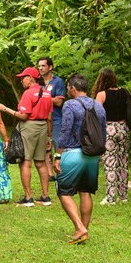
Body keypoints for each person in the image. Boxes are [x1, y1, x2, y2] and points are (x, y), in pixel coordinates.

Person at [53, 74, 107, 244]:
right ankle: (84, 231)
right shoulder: (98, 105)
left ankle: (80, 228)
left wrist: (57, 155)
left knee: (64, 192)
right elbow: (103, 131)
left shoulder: (70, 105)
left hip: (73, 153)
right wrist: (99, 153)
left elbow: (65, 131)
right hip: (92, 155)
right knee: (85, 192)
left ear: (73, 89)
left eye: (68, 88)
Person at [0, 67, 53, 207]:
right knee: (41, 162)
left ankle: (28, 198)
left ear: (31, 78)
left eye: (23, 78)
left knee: (25, 162)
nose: (21, 81)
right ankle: (45, 197)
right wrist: (49, 136)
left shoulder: (28, 93)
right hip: (43, 126)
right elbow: (50, 118)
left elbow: (23, 116)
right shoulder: (47, 93)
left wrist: (4, 108)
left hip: (29, 127)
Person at [93, 68, 131, 205]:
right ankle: (123, 196)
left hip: (109, 128)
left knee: (110, 163)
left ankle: (110, 197)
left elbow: (97, 115)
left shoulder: (101, 95)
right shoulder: (124, 92)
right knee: (123, 161)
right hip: (123, 128)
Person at [38, 57, 67, 150]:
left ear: (50, 67)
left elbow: (59, 102)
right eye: (39, 66)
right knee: (44, 148)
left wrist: (42, 98)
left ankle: (59, 159)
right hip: (41, 119)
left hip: (56, 119)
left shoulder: (58, 81)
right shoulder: (38, 82)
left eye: (43, 66)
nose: (40, 68)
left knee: (58, 145)